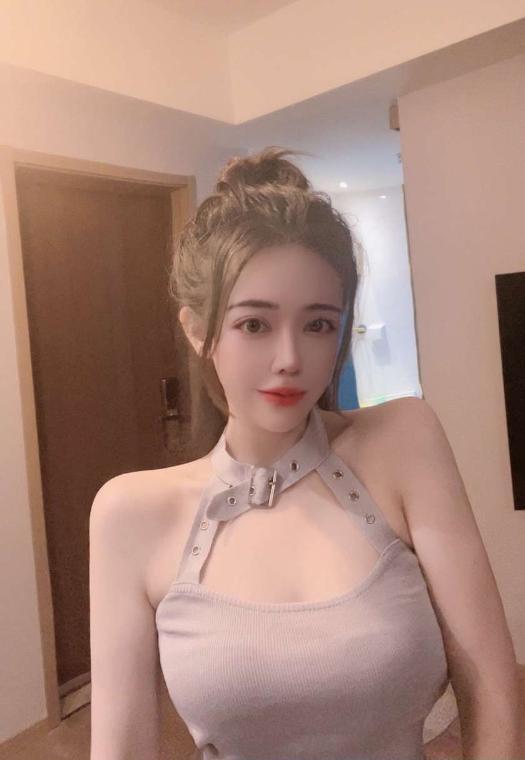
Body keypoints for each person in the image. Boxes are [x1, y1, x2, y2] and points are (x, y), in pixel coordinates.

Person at [89, 147, 521, 760]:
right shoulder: (131, 513)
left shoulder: (403, 442)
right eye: (254, 325)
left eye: (318, 324)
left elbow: (492, 683)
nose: (290, 359)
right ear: (196, 328)